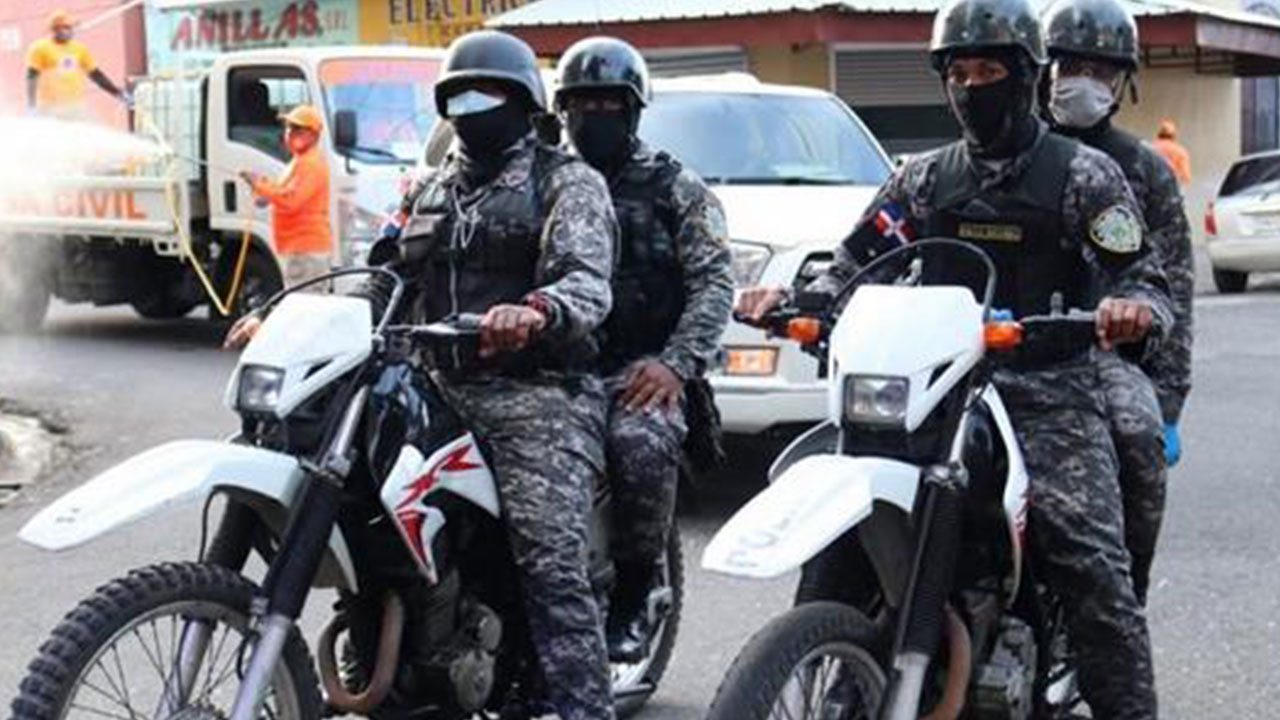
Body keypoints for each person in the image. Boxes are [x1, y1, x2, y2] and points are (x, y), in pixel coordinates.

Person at [735, 0, 1172, 716]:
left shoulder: (1083, 176)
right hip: (931, 386)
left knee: (1092, 566)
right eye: (958, 73)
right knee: (839, 527)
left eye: (988, 71)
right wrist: (794, 300)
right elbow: (854, 261)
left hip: (1045, 386)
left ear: (1025, 77)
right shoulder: (924, 178)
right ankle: (833, 667)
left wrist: (1130, 309)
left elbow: (1142, 276)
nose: (972, 87)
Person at [229, 30, 619, 720]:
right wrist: (287, 320)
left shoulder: (566, 182)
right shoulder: (429, 189)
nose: (471, 107)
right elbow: (379, 277)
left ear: (525, 104)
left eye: (488, 93)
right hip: (431, 381)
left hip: (535, 394)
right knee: (356, 501)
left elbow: (587, 283)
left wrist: (534, 311)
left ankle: (583, 706)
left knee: (549, 561)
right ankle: (393, 644)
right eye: (458, 95)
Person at [554, 36, 734, 662]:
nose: (594, 116)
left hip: (639, 371)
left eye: (609, 104)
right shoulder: (546, 179)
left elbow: (714, 282)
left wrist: (675, 363)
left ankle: (635, 590)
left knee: (638, 445)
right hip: (553, 370)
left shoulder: (674, 187)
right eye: (582, 104)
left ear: (632, 110)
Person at [1042, 0, 1193, 605]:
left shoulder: (1144, 170)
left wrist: (1169, 401)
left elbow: (1173, 284)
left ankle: (1122, 603)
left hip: (1101, 353)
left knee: (1137, 440)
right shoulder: (1009, 151)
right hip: (999, 344)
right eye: (1069, 66)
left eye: (1099, 70)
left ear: (1121, 82)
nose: (1082, 81)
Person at [239, 105, 333, 290]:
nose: (290, 133)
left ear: (313, 135)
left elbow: (291, 200)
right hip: (299, 249)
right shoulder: (299, 162)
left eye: (298, 129)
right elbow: (282, 194)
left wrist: (260, 185)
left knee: (305, 302)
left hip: (306, 249)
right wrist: (261, 188)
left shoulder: (311, 163)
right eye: (289, 127)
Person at [25, 10, 130, 120]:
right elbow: (31, 77)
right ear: (55, 29)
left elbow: (96, 75)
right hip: (49, 107)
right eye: (66, 27)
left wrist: (118, 93)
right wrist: (32, 105)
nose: (70, 31)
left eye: (71, 27)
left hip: (74, 107)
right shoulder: (40, 48)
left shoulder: (79, 49)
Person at [1152, 119, 1192, 185]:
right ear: (1174, 136)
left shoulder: (1150, 149)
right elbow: (1186, 178)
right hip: (1170, 186)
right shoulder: (1180, 151)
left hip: (1151, 186)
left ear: (1158, 134)